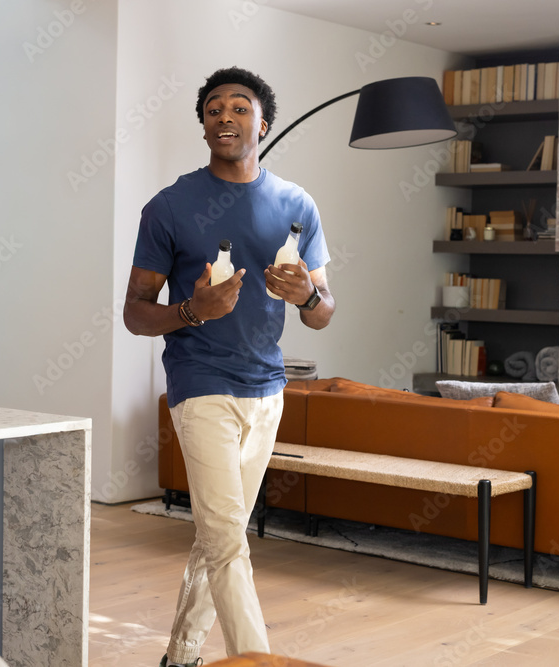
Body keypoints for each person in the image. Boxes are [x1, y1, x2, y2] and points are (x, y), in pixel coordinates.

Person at [124, 66, 335, 667]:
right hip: (201, 387)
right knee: (227, 545)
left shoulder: (297, 205)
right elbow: (136, 314)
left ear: (262, 124)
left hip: (268, 391)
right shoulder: (168, 208)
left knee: (220, 538)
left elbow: (324, 313)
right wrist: (193, 309)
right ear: (203, 125)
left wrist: (306, 299)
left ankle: (181, 657)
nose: (225, 116)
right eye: (214, 108)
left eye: (239, 108)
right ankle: (257, 659)